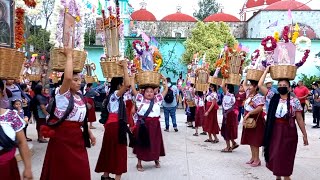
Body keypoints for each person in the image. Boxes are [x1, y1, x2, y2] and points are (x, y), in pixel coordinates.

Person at [40, 48, 96, 180]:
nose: (78, 82)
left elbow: (82, 119)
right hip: (62, 138)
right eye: (75, 80)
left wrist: (90, 133)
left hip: (77, 138)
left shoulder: (80, 96)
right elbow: (68, 76)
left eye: (79, 80)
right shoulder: (62, 94)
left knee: (79, 171)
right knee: (63, 171)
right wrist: (69, 56)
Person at [258, 66, 308, 180]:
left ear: (290, 88)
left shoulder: (294, 101)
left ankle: (286, 177)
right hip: (275, 130)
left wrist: (304, 134)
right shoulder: (273, 97)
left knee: (285, 155)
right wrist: (267, 70)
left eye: (284, 86)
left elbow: (299, 119)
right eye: (279, 86)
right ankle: (278, 176)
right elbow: (260, 85)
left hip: (289, 132)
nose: (281, 87)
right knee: (275, 154)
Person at [95, 61, 130, 180]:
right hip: (116, 126)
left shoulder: (111, 96)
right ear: (119, 85)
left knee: (109, 149)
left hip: (111, 125)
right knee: (119, 151)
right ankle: (117, 177)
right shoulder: (116, 94)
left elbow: (128, 85)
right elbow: (128, 84)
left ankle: (105, 175)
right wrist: (125, 67)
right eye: (122, 84)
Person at [131, 75, 168, 172]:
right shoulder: (140, 98)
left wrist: (164, 81)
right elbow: (133, 88)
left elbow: (165, 91)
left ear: (154, 92)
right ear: (144, 92)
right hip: (143, 125)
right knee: (141, 144)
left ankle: (156, 159)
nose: (149, 93)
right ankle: (139, 163)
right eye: (147, 91)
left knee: (155, 143)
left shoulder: (157, 99)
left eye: (151, 91)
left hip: (155, 125)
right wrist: (133, 79)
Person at [0, 80, 33, 180]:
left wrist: (27, 168)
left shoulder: (12, 116)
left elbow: (22, 143)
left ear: (2, 94)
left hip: (7, 168)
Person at [241, 79, 265, 167]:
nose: (249, 87)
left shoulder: (259, 97)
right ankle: (253, 157)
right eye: (249, 85)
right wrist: (247, 76)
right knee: (250, 140)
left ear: (255, 87)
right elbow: (243, 84)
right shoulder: (248, 94)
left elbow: (260, 108)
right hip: (248, 119)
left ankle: (257, 159)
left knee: (255, 140)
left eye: (251, 85)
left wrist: (249, 114)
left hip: (255, 120)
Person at [220, 80, 239, 152]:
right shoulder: (233, 95)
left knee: (226, 130)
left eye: (226, 87)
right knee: (229, 129)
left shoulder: (227, 94)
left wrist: (225, 77)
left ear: (227, 88)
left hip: (227, 114)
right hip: (231, 114)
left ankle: (228, 147)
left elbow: (222, 85)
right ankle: (233, 143)